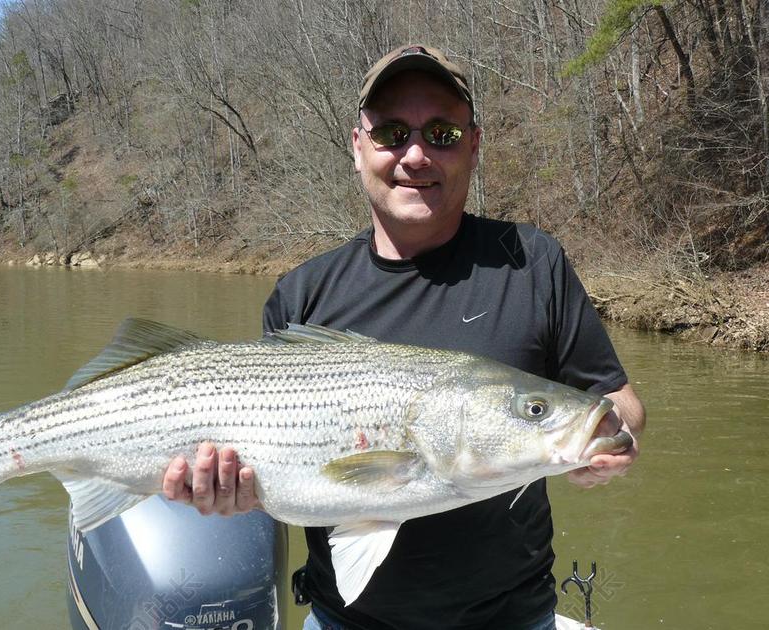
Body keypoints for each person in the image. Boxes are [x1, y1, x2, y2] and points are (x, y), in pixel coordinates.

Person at [163, 44, 645, 630]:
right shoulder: (302, 293)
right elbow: (273, 472)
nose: (415, 154)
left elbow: (614, 402)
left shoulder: (532, 262)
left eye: (441, 132)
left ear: (473, 144)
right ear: (358, 145)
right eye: (392, 132)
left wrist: (609, 439)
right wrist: (226, 494)